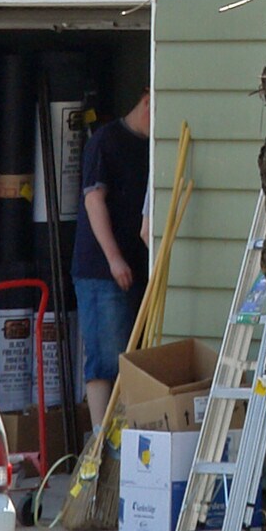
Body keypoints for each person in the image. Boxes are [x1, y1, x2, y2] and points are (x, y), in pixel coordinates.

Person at [71, 88, 151, 430]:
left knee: (131, 357)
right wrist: (115, 259)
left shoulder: (150, 146)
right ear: (146, 101)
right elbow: (94, 201)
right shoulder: (106, 141)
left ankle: (121, 443)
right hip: (101, 272)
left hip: (135, 268)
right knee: (106, 359)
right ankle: (101, 446)